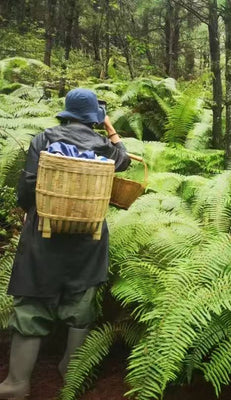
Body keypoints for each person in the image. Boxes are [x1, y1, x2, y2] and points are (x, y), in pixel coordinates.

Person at [0, 88, 131, 399]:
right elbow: (124, 160)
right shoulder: (104, 147)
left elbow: (27, 187)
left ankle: (17, 383)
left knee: (31, 306)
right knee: (80, 305)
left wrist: (28, 209)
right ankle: (72, 372)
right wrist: (109, 127)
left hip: (43, 236)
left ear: (67, 111)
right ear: (94, 118)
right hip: (89, 239)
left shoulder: (43, 139)